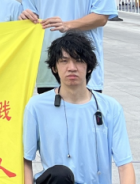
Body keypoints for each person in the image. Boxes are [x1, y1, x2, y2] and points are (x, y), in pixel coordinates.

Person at [23, 32, 134, 184]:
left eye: (79, 61)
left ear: (89, 67)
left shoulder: (110, 107)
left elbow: (125, 165)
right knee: (60, 174)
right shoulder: (36, 106)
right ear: (54, 67)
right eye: (64, 61)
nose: (72, 68)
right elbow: (25, 160)